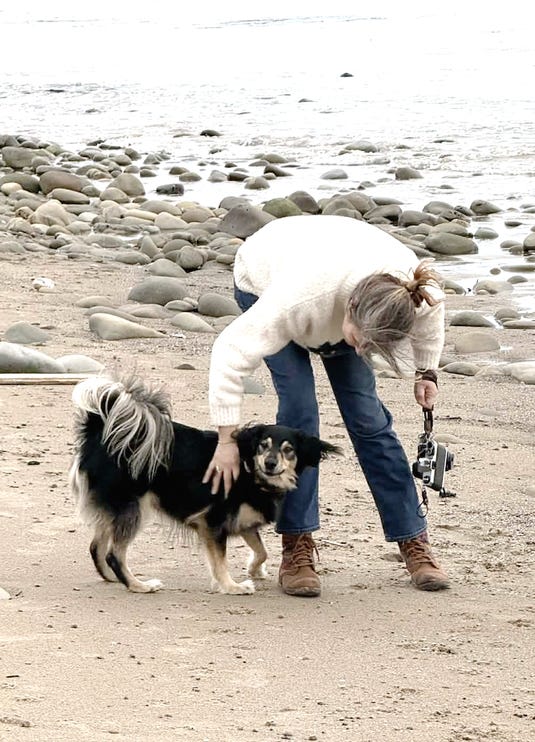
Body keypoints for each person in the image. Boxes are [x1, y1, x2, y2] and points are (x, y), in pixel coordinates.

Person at [203, 214, 449, 597]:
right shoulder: (296, 299)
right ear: (351, 307)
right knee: (299, 412)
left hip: (339, 271)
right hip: (267, 274)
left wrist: (426, 372)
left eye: (373, 346)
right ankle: (296, 544)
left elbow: (431, 319)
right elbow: (228, 354)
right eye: (361, 340)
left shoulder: (412, 292)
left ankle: (413, 539)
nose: (362, 352)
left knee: (368, 419)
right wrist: (225, 440)